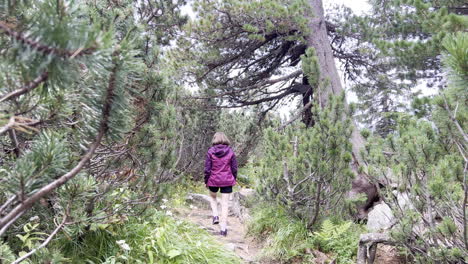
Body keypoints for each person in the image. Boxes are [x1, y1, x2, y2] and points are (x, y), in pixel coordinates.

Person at [204, 132, 237, 236]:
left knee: (213, 198)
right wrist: (233, 178)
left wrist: (206, 181)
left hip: (213, 180)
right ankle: (223, 228)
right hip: (227, 180)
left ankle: (215, 216)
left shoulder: (210, 152)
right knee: (225, 204)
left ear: (214, 139)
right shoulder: (230, 152)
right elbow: (234, 168)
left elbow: (207, 169)